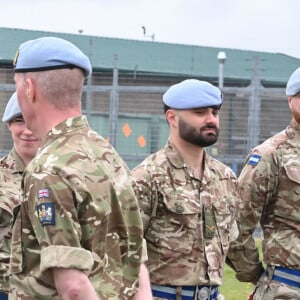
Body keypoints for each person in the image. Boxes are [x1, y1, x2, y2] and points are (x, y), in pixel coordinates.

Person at [10, 36, 152, 300]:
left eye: (16, 85)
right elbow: (135, 256)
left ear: (30, 89)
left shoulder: (48, 169)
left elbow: (73, 288)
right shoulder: (108, 155)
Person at [132, 79, 240, 300]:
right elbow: (125, 248)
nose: (211, 119)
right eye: (200, 113)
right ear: (172, 118)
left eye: (214, 112)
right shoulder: (149, 177)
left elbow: (234, 241)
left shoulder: (225, 177)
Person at [226, 67, 300, 299]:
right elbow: (237, 226)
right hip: (288, 289)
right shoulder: (271, 155)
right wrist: (259, 277)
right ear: (291, 101)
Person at [0, 92, 40, 300]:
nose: (27, 131)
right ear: (9, 125)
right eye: (18, 121)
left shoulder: (67, 177)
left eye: (33, 121)